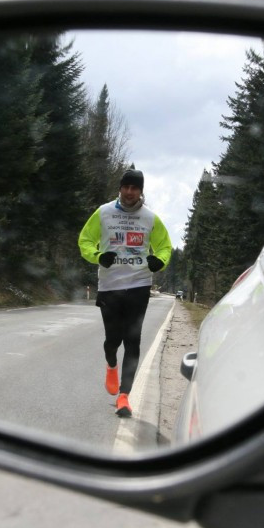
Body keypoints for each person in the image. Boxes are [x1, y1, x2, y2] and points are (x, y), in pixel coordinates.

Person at [78, 167, 172, 417]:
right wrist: (98, 256)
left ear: (141, 191)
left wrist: (159, 261)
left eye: (135, 188)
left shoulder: (151, 218)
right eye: (126, 187)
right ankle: (111, 364)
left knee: (133, 340)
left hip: (139, 285)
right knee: (113, 340)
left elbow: (164, 247)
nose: (130, 192)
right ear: (120, 188)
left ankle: (124, 396)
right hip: (110, 286)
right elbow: (85, 241)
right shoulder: (104, 212)